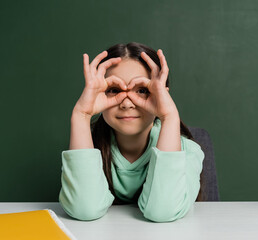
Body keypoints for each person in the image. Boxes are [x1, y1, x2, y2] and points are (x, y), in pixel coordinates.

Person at [59, 42, 205, 223]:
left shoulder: (187, 151)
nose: (127, 103)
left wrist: (169, 115)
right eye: (114, 90)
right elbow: (84, 210)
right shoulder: (87, 146)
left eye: (142, 91)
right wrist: (81, 115)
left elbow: (163, 212)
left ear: (162, 97)